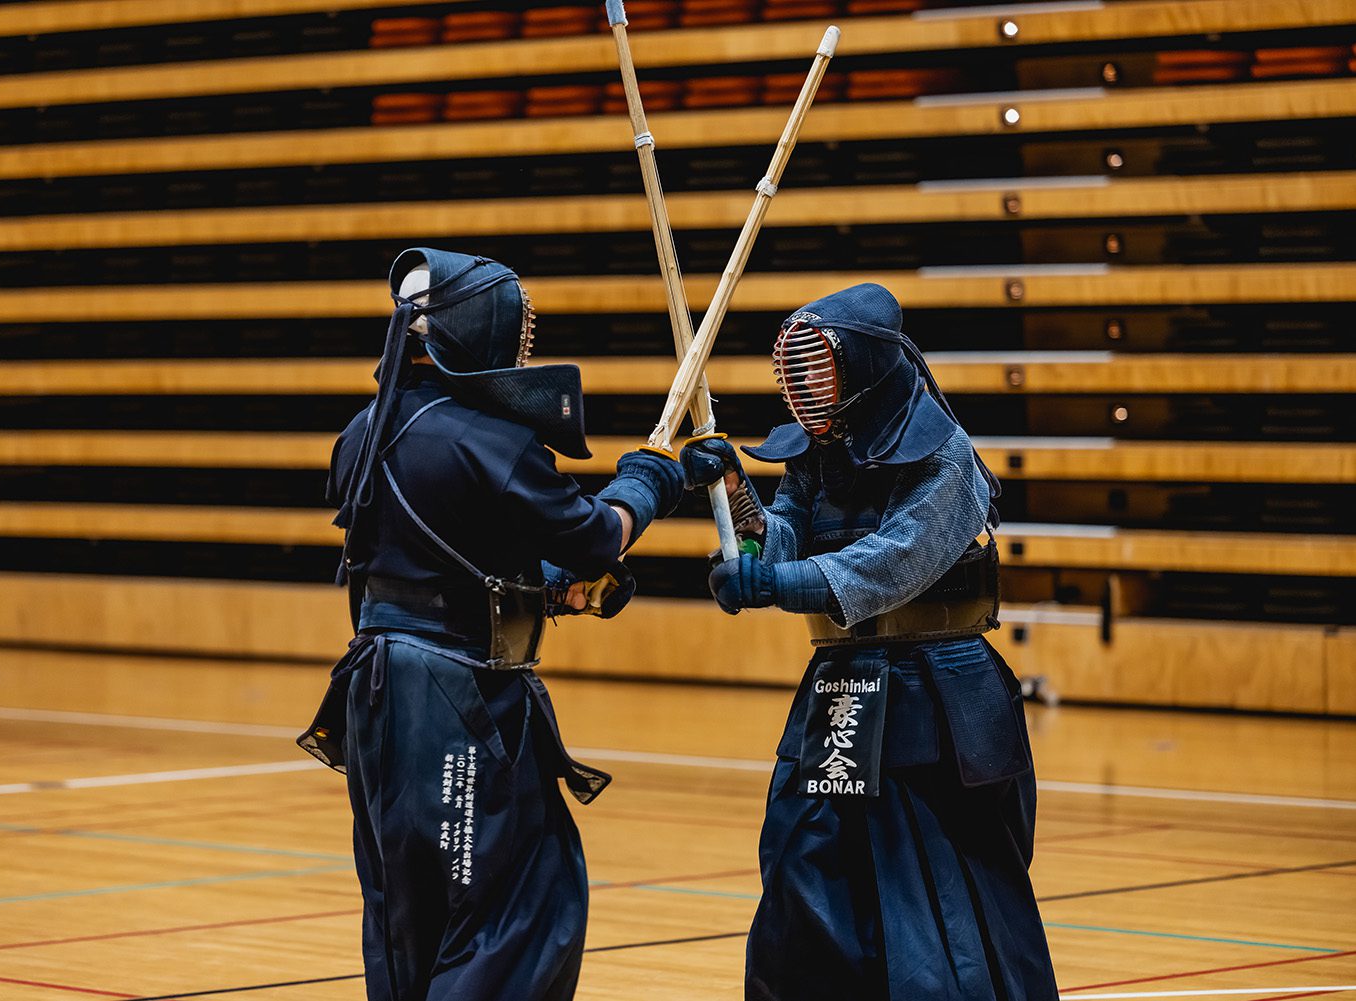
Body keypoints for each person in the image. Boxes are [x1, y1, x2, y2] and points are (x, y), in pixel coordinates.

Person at [299, 248, 683, 1001]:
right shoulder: (492, 441)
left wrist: (548, 592)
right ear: (481, 329)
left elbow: (438, 561)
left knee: (409, 906)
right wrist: (654, 477)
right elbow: (598, 535)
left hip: (374, 694)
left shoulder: (361, 432)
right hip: (456, 699)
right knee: (512, 902)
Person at [680, 283, 1058, 1000]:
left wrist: (775, 585)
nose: (805, 389)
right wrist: (733, 493)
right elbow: (784, 538)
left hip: (936, 695)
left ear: (864, 369)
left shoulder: (947, 459)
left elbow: (890, 563)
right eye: (797, 373)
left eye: (819, 370)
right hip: (845, 689)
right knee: (805, 867)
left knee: (937, 905)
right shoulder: (821, 449)